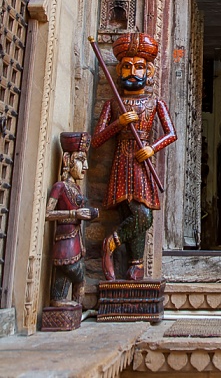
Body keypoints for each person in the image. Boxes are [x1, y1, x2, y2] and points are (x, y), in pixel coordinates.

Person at [92, 32, 177, 281]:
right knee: (135, 216)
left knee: (142, 215)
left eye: (139, 67)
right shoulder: (113, 104)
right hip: (122, 160)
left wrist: (152, 148)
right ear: (119, 70)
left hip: (142, 161)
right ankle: (128, 259)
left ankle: (126, 258)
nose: (133, 72)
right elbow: (97, 140)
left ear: (148, 71)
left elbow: (171, 133)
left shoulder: (154, 103)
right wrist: (118, 123)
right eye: (127, 66)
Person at [45, 132, 98, 306]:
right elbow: (47, 214)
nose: (86, 166)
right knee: (75, 273)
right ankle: (63, 303)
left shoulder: (75, 189)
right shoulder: (60, 187)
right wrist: (74, 214)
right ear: (67, 160)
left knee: (71, 276)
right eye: (81, 161)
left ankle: (68, 306)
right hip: (63, 240)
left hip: (74, 240)